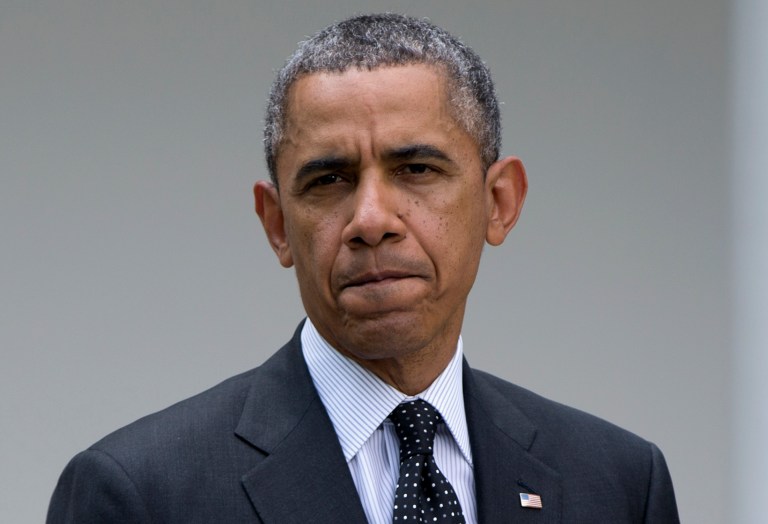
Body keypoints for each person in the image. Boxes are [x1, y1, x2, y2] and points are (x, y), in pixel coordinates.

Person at [47, 13, 679, 523]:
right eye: (329, 180)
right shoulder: (141, 494)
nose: (371, 219)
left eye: (416, 169)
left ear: (498, 202)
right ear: (277, 224)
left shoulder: (618, 483)